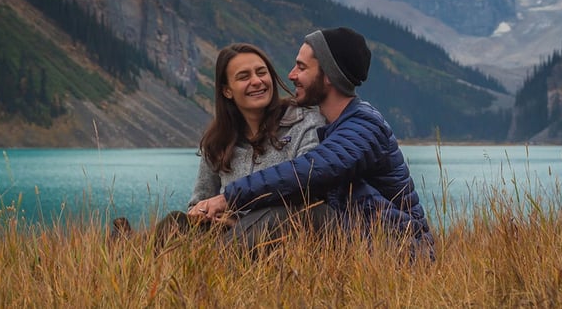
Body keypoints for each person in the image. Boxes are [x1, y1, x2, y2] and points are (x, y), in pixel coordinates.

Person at [192, 27, 435, 258]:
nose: (290, 75)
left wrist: (227, 198)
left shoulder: (364, 126)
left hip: (402, 248)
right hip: (358, 239)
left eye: (301, 67)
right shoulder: (333, 124)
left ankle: (210, 263)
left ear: (328, 76)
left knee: (299, 215)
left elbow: (307, 172)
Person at [128, 42, 325, 245]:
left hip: (279, 237)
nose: (257, 81)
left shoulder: (305, 123)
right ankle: (130, 248)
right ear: (227, 91)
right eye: (244, 77)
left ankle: (133, 245)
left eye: (261, 72)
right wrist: (207, 214)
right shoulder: (217, 142)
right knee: (176, 222)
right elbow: (199, 203)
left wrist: (237, 219)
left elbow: (307, 188)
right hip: (226, 238)